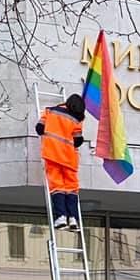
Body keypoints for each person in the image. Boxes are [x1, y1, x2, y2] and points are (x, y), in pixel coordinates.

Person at [35, 93, 85, 231]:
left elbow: (39, 129)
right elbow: (78, 140)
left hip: (52, 154)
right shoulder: (77, 119)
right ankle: (73, 218)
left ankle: (61, 217)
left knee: (57, 186)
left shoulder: (50, 111)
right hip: (69, 158)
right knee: (71, 187)